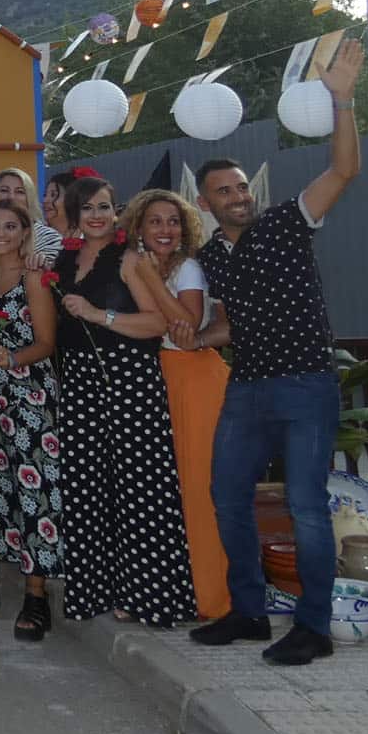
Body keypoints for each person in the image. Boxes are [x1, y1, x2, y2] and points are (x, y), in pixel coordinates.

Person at [190, 40, 366, 666]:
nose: (237, 194)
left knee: (304, 507)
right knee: (227, 495)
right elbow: (227, 324)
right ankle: (248, 612)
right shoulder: (211, 256)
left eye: (240, 185)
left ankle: (314, 627)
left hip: (304, 384)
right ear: (206, 204)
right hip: (247, 388)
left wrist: (342, 101)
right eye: (223, 190)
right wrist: (186, 335)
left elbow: (343, 170)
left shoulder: (289, 221)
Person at [53, 176, 196, 627]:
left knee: (141, 492)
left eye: (105, 207)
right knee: (86, 491)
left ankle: (149, 598)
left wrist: (100, 315)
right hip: (79, 384)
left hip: (128, 381)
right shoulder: (65, 258)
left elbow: (158, 323)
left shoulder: (131, 259)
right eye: (88, 207)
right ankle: (97, 591)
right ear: (74, 213)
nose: (97, 215)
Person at [120, 188, 231, 623]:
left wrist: (148, 277)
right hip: (156, 379)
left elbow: (182, 324)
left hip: (195, 379)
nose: (165, 229)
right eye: (155, 221)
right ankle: (164, 589)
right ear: (140, 229)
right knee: (163, 494)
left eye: (172, 221)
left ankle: (211, 595)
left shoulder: (188, 267)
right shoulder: (133, 264)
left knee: (199, 489)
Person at [0, 199, 63, 641]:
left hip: (29, 397)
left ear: (25, 232)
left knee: (33, 493)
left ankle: (36, 594)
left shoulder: (34, 278)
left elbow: (46, 342)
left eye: (11, 226)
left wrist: (12, 359)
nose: (1, 233)